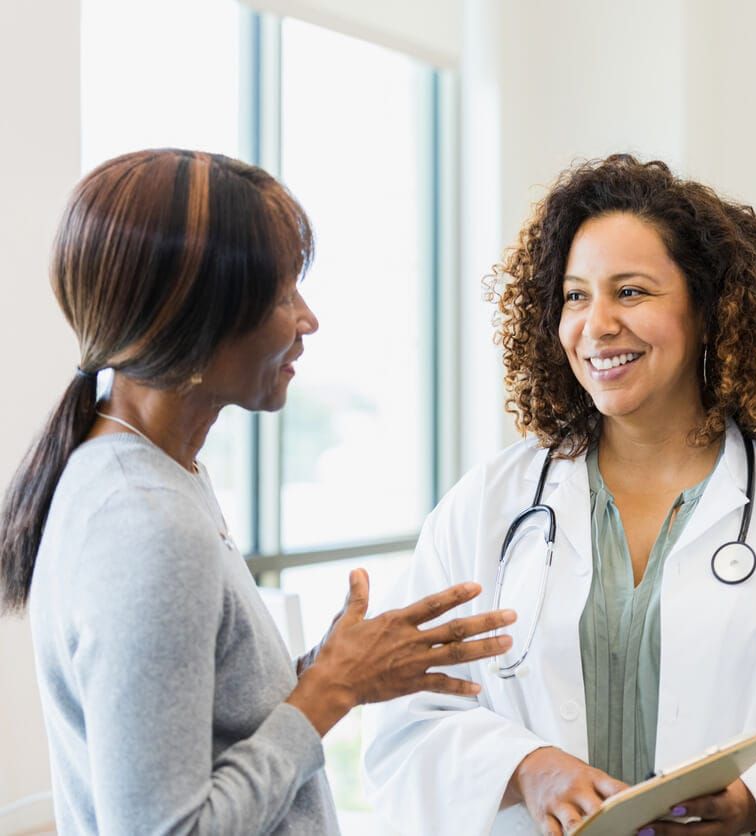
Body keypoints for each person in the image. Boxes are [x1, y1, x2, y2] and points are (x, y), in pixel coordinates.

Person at [363, 155, 756, 835]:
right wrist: (525, 767)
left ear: (707, 310)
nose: (597, 324)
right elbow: (405, 717)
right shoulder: (490, 503)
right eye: (575, 295)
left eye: (631, 292)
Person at [0, 149, 515, 835]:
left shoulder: (155, 472)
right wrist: (327, 692)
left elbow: (203, 724)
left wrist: (331, 670)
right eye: (281, 296)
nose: (307, 319)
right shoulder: (147, 525)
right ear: (195, 316)